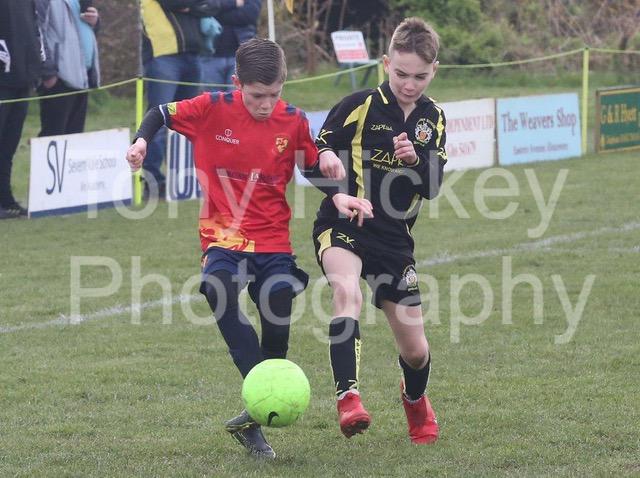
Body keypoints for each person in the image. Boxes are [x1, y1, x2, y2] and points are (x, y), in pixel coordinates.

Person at [126, 38, 343, 459]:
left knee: (276, 315)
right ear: (236, 83)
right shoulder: (210, 108)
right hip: (222, 235)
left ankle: (252, 418)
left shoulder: (293, 120)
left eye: (274, 94)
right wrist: (141, 141)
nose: (266, 104)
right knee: (217, 287)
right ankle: (264, 389)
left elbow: (312, 167)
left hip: (273, 241)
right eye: (257, 95)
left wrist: (338, 190)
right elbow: (159, 113)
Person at [307, 17, 447, 444]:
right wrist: (334, 184)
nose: (409, 84)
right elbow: (313, 155)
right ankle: (348, 399)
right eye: (401, 73)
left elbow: (433, 186)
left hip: (394, 241)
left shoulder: (433, 118)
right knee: (346, 294)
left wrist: (414, 160)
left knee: (416, 352)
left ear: (434, 70)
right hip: (344, 223)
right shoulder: (358, 105)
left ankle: (415, 400)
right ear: (386, 63)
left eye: (419, 76)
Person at [140, 0, 244, 199]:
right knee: (158, 120)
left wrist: (193, 7)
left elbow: (213, 6)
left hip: (193, 54)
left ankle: (184, 178)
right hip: (163, 55)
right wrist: (196, 7)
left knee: (190, 120)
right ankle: (152, 182)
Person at [0, 0, 43, 219]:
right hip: (3, 78)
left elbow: (34, 27)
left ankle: (5, 198)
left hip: (23, 78)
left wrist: (37, 64)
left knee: (8, 145)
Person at [36, 0, 100, 137]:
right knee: (53, 137)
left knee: (74, 139)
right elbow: (37, 30)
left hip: (82, 77)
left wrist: (95, 23)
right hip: (58, 79)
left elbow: (79, 31)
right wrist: (47, 72)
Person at [200, 0, 261, 90]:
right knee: (212, 97)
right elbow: (203, 8)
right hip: (210, 55)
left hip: (242, 57)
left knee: (239, 96)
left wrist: (218, 12)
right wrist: (234, 3)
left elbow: (250, 14)